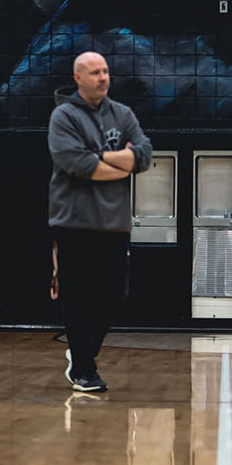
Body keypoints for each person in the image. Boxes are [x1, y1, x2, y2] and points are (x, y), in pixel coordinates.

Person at [48, 51, 151, 393]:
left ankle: (82, 355)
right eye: (95, 72)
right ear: (78, 78)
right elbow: (76, 163)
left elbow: (145, 155)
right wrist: (122, 162)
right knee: (78, 296)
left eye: (106, 71)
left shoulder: (122, 114)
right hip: (74, 221)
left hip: (114, 222)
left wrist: (103, 158)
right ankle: (83, 371)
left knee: (114, 295)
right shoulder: (64, 116)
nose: (103, 77)